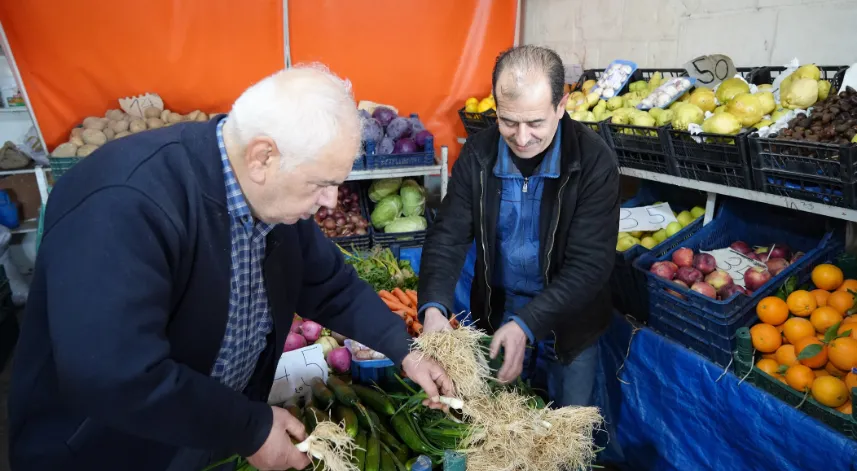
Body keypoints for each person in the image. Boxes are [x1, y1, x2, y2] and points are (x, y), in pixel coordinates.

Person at [8, 65, 453, 471]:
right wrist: (250, 428)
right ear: (263, 157)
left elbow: (329, 284)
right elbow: (112, 374)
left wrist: (404, 350)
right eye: (322, 183)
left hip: (198, 425)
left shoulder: (273, 200)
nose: (331, 201)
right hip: (108, 449)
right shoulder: (125, 204)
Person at [417, 45, 619, 408]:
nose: (522, 138)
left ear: (561, 105)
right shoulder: (479, 153)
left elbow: (590, 266)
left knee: (565, 433)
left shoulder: (593, 162)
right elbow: (448, 234)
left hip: (570, 324)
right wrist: (433, 308)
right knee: (501, 426)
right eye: (508, 121)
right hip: (498, 314)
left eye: (535, 123)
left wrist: (528, 323)